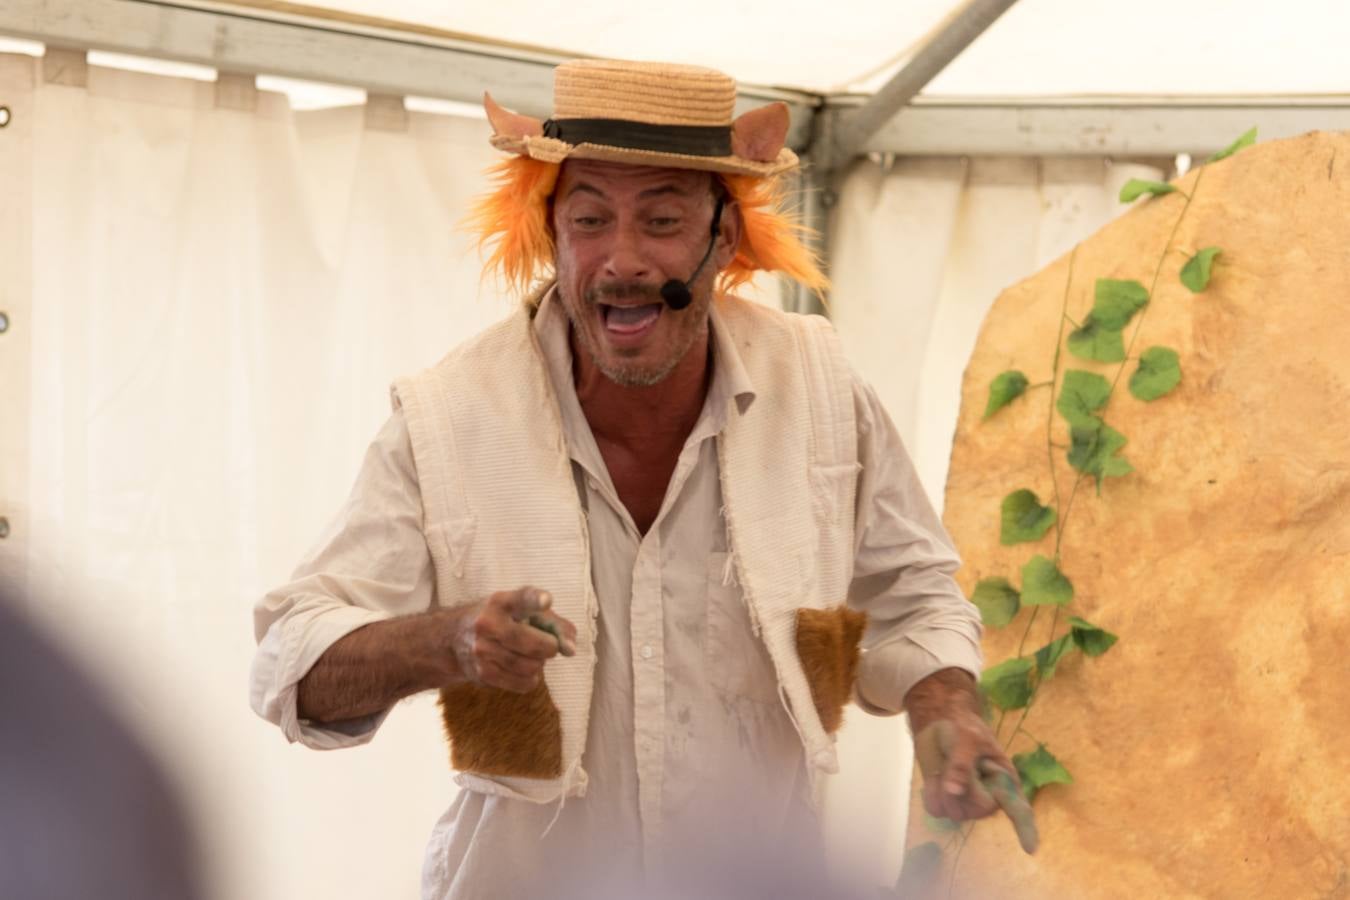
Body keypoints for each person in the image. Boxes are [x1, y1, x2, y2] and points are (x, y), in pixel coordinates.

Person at [250, 58, 1011, 898]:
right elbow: (293, 661)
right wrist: (451, 640)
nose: (622, 261)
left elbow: (914, 593)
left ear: (723, 239)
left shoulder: (820, 391)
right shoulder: (449, 416)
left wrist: (945, 711)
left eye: (660, 219)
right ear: (552, 233)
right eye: (589, 219)